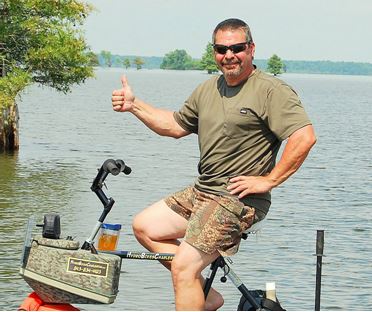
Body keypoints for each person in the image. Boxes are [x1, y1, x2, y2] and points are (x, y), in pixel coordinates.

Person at [111, 18, 316, 311]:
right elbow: (174, 125)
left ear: (251, 48)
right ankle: (204, 296)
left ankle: (190, 281)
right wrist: (135, 105)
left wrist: (269, 180)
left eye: (237, 48)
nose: (229, 55)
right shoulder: (209, 89)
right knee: (145, 227)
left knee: (183, 267)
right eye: (222, 49)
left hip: (237, 200)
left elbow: (304, 137)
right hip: (203, 192)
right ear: (214, 52)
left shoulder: (271, 90)